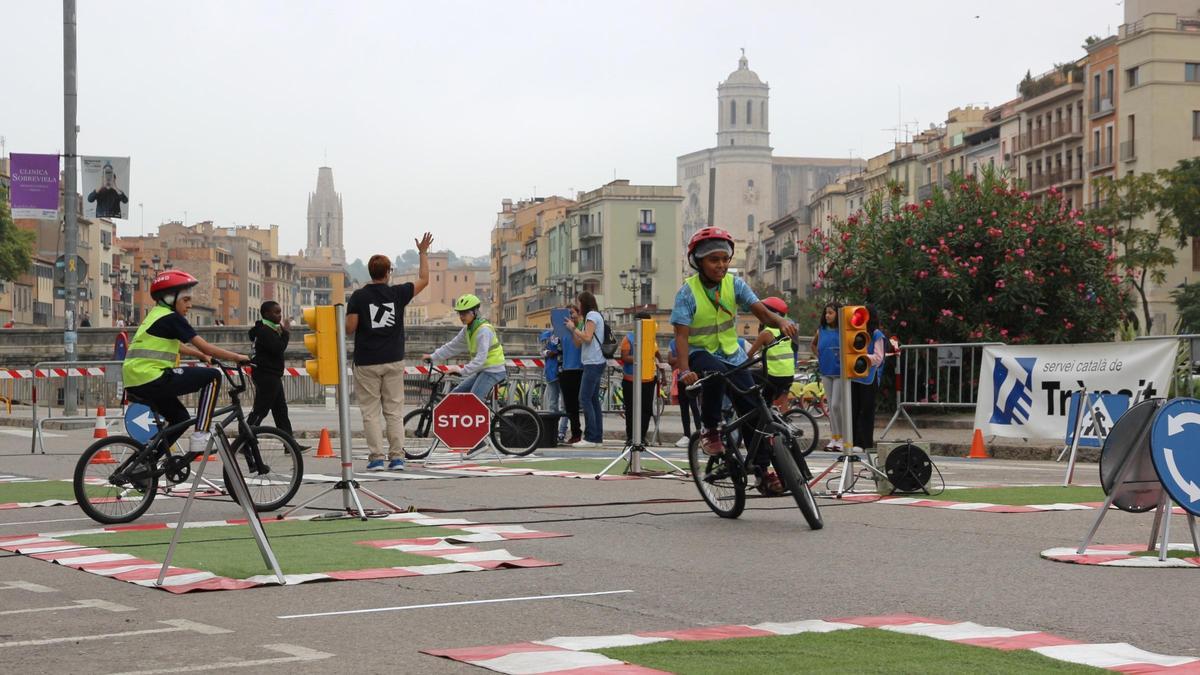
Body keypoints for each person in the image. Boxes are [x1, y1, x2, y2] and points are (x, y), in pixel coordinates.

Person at [672, 227, 798, 492]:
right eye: (713, 260)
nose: (720, 265)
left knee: (753, 406)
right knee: (715, 376)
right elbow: (681, 336)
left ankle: (762, 472)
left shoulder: (735, 284)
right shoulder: (687, 292)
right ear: (699, 262)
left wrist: (780, 320)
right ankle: (709, 429)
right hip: (700, 353)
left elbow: (762, 312)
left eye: (724, 259)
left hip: (732, 353)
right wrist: (684, 371)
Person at [122, 270, 249, 457]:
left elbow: (175, 345)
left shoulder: (155, 315)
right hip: (152, 377)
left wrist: (199, 355)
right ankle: (201, 434)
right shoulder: (172, 318)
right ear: (170, 298)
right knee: (212, 377)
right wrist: (239, 357)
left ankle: (146, 461)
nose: (190, 305)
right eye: (186, 300)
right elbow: (207, 347)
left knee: (179, 418)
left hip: (136, 380)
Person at [346, 234, 432, 471]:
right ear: (388, 272)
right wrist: (422, 252)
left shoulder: (359, 296)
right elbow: (424, 279)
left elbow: (350, 329)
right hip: (393, 359)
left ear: (370, 272)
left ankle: (375, 458)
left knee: (370, 412)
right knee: (394, 411)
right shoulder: (398, 294)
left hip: (366, 362)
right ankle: (396, 457)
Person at [426, 294, 508, 402]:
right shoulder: (468, 330)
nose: (461, 316)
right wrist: (433, 356)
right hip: (482, 370)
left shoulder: (484, 331)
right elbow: (452, 346)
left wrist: (461, 371)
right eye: (460, 313)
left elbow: (480, 359)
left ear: (474, 312)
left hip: (494, 371)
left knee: (472, 400)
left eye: (465, 313)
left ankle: (483, 418)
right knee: (454, 396)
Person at [247, 301, 294, 437]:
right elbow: (278, 348)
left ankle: (289, 443)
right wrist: (286, 334)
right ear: (267, 314)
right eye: (276, 312)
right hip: (266, 375)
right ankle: (245, 439)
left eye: (280, 312)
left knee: (280, 411)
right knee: (260, 410)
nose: (279, 315)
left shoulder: (268, 329)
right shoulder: (265, 331)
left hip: (272, 374)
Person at [565, 291, 605, 448]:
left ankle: (590, 437)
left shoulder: (592, 316)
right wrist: (573, 327)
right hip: (592, 361)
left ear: (584, 303)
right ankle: (597, 437)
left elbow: (587, 337)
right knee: (593, 400)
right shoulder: (588, 318)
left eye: (579, 302)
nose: (578, 306)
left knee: (585, 398)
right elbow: (578, 343)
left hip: (593, 362)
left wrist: (574, 328)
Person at [745, 296, 797, 411]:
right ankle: (787, 426)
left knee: (746, 378)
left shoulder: (766, 333)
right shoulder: (787, 330)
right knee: (783, 404)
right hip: (789, 374)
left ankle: (762, 421)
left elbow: (749, 355)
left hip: (774, 376)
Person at [619, 312, 662, 444]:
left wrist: (662, 371)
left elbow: (657, 355)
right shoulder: (628, 338)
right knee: (631, 410)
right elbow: (624, 357)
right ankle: (631, 437)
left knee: (646, 410)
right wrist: (641, 357)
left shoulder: (651, 339)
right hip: (631, 380)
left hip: (648, 379)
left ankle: (642, 436)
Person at [850, 304, 886, 451]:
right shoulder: (854, 332)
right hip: (854, 376)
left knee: (866, 410)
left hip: (869, 377)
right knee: (853, 409)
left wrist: (862, 358)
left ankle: (864, 443)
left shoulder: (877, 334)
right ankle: (852, 442)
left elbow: (879, 357)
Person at [810, 302, 844, 451]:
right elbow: (813, 345)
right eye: (826, 313)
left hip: (840, 373)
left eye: (831, 313)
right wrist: (821, 356)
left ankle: (843, 437)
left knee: (837, 405)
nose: (827, 315)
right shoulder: (821, 330)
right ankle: (834, 438)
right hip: (826, 371)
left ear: (838, 314)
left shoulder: (843, 330)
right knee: (831, 406)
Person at [557, 305, 584, 444]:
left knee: (582, 403)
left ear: (578, 314)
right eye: (568, 314)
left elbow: (579, 343)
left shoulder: (580, 330)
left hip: (579, 369)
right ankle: (575, 433)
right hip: (566, 369)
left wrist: (573, 327)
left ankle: (585, 433)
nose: (570, 316)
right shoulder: (563, 331)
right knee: (569, 406)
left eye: (572, 313)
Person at [667, 339, 700, 448]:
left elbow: (692, 359)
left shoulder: (693, 341)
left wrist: (681, 361)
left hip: (693, 378)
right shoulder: (672, 342)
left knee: (695, 407)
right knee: (684, 408)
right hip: (681, 378)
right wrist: (683, 359)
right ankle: (687, 435)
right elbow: (670, 360)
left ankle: (700, 433)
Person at [538, 329, 564, 440]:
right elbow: (541, 350)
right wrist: (549, 353)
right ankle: (553, 430)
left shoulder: (568, 333)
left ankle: (562, 431)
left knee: (565, 405)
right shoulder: (547, 335)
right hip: (552, 372)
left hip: (566, 371)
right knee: (553, 403)